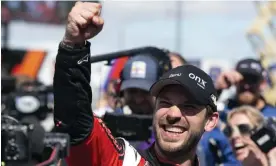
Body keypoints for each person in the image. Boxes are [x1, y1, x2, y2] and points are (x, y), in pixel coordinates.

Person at [53, 2, 219, 165]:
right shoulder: (125, 161)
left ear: (210, 121)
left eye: (188, 106)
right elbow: (75, 120)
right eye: (165, 102)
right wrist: (73, 47)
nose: (173, 114)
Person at [215, 58, 276, 122]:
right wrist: (218, 89)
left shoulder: (273, 115)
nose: (246, 86)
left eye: (252, 80)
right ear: (235, 82)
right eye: (242, 80)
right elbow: (205, 114)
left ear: (262, 83)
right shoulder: (224, 111)